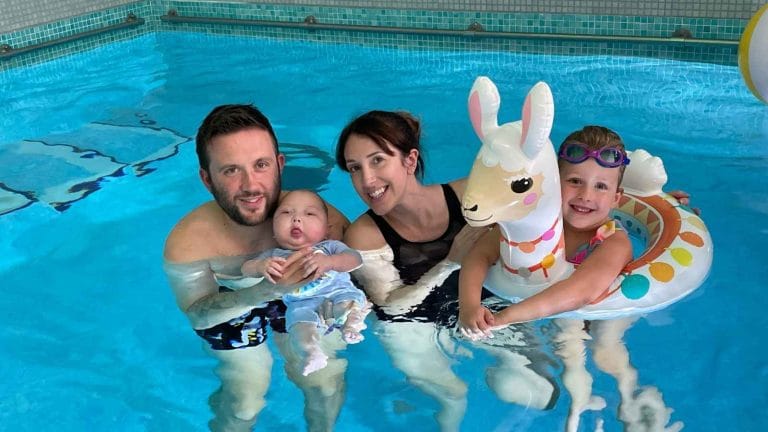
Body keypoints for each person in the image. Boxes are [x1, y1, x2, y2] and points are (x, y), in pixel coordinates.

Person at [336, 110, 556, 431]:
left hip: (485, 306)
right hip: (414, 324)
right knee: (452, 394)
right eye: (355, 169)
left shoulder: (471, 195)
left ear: (410, 161)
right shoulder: (364, 235)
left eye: (378, 161)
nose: (366, 181)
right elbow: (392, 306)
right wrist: (451, 261)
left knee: (536, 390)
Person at [163, 104, 350, 432]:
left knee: (324, 381)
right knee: (246, 399)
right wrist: (267, 290)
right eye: (231, 170)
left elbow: (359, 273)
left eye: (260, 165)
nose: (250, 185)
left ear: (279, 165)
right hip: (230, 300)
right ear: (207, 180)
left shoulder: (318, 219)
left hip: (300, 297)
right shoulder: (189, 241)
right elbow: (198, 314)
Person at [458, 125, 634, 333]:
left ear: (616, 198)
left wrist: (503, 318)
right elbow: (480, 254)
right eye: (575, 181)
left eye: (601, 186)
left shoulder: (614, 242)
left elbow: (582, 292)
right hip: (527, 307)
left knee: (604, 352)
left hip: (595, 320)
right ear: (554, 183)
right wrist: (469, 306)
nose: (586, 195)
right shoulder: (533, 225)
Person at [240, 190, 369, 376]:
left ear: (326, 230)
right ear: (273, 230)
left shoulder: (329, 247)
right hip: (300, 304)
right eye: (286, 213)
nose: (296, 219)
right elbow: (245, 269)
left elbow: (355, 259)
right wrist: (260, 266)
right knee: (299, 330)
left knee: (347, 303)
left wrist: (330, 262)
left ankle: (351, 323)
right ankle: (312, 353)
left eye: (309, 214)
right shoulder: (273, 256)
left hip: (338, 292)